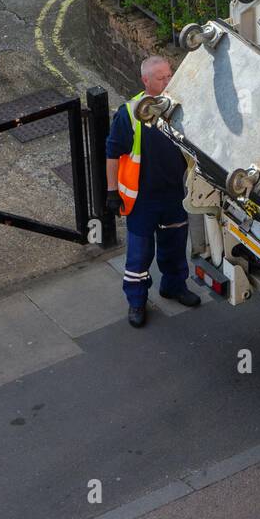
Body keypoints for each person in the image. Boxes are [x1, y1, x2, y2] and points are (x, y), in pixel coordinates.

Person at [105, 55, 201, 327]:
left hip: (173, 193)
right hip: (142, 199)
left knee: (174, 245)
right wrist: (112, 191)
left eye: (169, 75)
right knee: (139, 254)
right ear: (146, 81)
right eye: (161, 78)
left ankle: (174, 286)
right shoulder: (130, 113)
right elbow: (113, 153)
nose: (168, 81)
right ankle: (136, 302)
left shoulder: (177, 104)